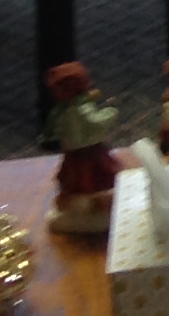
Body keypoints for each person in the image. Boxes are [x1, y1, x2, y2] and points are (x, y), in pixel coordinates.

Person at [43, 62, 120, 236]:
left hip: (75, 151)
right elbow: (94, 122)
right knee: (91, 180)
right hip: (87, 153)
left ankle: (90, 204)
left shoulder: (64, 110)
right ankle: (90, 205)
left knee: (81, 181)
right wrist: (110, 113)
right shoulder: (80, 108)